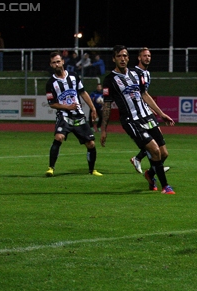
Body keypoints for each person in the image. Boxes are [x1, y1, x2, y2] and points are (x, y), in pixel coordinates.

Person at [100, 45, 175, 194]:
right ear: (114, 59)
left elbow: (144, 94)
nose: (123, 59)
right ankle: (165, 186)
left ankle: (150, 174)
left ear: (128, 58)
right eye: (119, 56)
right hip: (131, 121)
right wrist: (103, 129)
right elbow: (107, 106)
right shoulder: (109, 80)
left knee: (164, 153)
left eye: (125, 56)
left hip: (147, 116)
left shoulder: (135, 73)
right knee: (154, 151)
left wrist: (161, 114)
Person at [45, 51, 101, 177]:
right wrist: (67, 106)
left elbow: (83, 92)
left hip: (78, 115)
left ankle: (92, 170)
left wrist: (93, 108)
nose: (57, 64)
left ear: (63, 62)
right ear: (51, 65)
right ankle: (50, 168)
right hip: (64, 115)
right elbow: (52, 103)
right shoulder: (51, 83)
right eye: (54, 63)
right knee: (59, 137)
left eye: (58, 61)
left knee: (91, 143)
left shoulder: (74, 76)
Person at [128, 47, 173, 175]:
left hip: (146, 111)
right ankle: (143, 161)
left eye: (149, 56)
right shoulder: (134, 73)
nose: (147, 58)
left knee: (161, 147)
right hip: (138, 115)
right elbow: (136, 94)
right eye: (145, 56)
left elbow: (144, 94)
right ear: (139, 57)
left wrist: (151, 108)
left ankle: (148, 163)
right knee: (153, 141)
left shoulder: (147, 73)